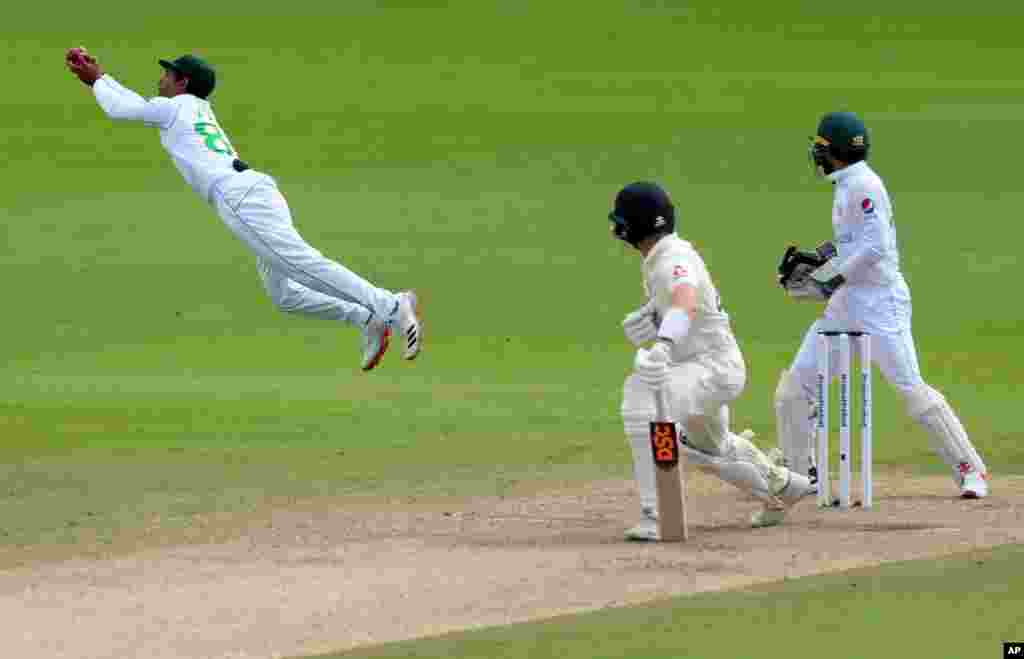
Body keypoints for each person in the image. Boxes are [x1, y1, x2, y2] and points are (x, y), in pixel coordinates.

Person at [64, 48, 422, 371]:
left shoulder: (176, 107)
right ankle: (365, 318)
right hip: (255, 191)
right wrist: (99, 80)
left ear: (181, 82)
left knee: (301, 263)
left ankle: (391, 306)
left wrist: (96, 78)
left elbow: (122, 108)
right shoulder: (194, 108)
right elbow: (134, 104)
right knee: (285, 295)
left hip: (239, 198)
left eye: (167, 74)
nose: (161, 78)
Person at [774, 111, 988, 498]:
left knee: (910, 387)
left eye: (821, 148)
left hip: (880, 303)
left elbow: (876, 246)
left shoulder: (863, 186)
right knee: (796, 387)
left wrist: (831, 277)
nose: (816, 156)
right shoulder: (846, 185)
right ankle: (801, 474)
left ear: (834, 152)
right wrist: (820, 258)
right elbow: (854, 240)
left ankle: (970, 470)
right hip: (847, 303)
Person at [614, 181, 814, 539]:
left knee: (641, 403)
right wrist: (650, 317)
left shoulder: (672, 259)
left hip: (709, 368)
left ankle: (656, 513)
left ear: (632, 226)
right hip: (709, 366)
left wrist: (661, 344)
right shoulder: (663, 255)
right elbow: (686, 308)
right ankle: (783, 486)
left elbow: (687, 301)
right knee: (711, 447)